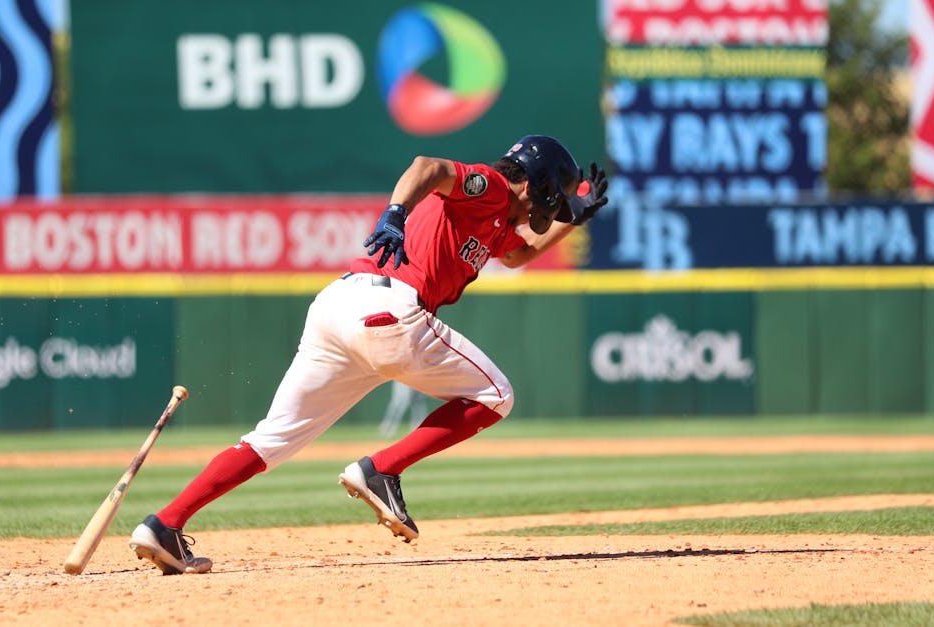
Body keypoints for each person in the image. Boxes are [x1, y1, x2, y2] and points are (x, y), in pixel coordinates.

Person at [128, 135, 608, 575]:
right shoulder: (496, 188)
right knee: (497, 394)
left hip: (337, 308)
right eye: (557, 200)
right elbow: (430, 166)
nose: (553, 211)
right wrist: (395, 213)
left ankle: (165, 523)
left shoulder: (501, 222)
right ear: (541, 186)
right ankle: (382, 469)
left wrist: (575, 220)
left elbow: (518, 256)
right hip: (389, 309)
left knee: (270, 440)